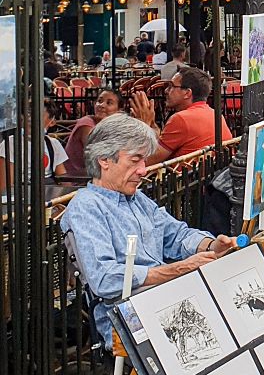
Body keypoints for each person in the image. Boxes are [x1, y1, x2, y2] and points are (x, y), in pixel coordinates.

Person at [60, 114, 238, 349]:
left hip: (166, 302)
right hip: (129, 318)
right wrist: (176, 269)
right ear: (104, 159)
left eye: (143, 161)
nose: (143, 170)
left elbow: (176, 234)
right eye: (135, 160)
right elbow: (104, 278)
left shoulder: (137, 199)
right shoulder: (86, 208)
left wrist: (211, 246)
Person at [131, 67, 232, 163]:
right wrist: (151, 124)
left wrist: (143, 125)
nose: (166, 91)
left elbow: (147, 161)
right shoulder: (214, 114)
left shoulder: (181, 119)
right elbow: (162, 144)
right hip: (211, 176)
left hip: (186, 179)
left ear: (187, 93)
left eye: (171, 86)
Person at [64, 87, 122, 178]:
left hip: (96, 177)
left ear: (119, 111)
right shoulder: (86, 124)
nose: (102, 105)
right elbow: (98, 156)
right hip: (76, 180)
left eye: (109, 103)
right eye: (100, 101)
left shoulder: (112, 127)